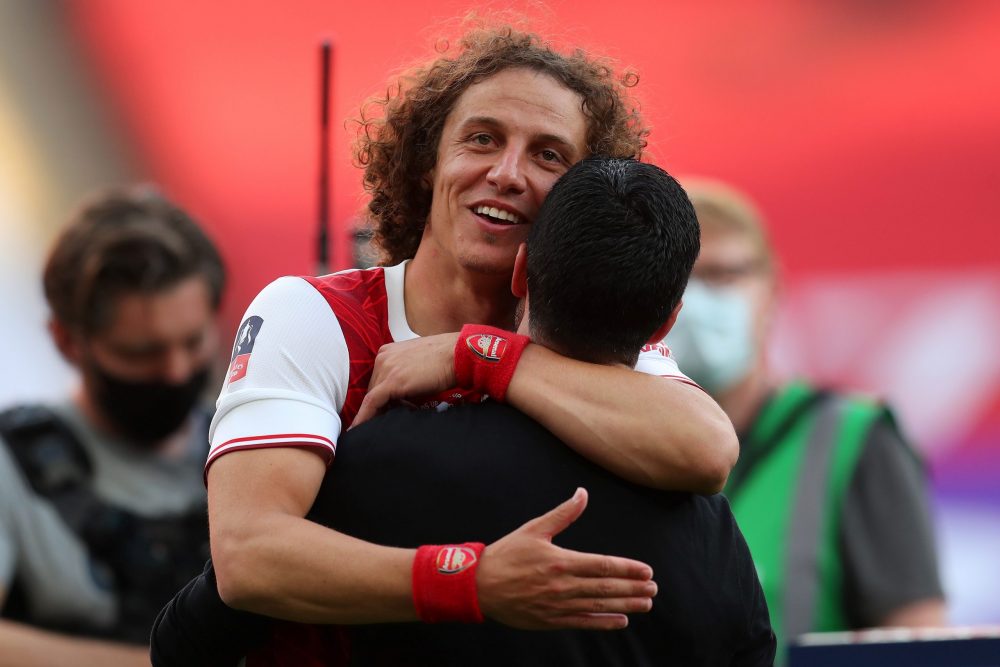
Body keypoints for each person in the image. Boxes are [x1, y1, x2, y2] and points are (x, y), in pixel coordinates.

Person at [155, 24, 739, 666]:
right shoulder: (316, 315)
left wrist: (477, 357)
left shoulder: (592, 338)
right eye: (482, 139)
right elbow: (248, 558)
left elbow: (707, 450)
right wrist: (471, 581)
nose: (507, 173)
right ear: (427, 159)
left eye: (549, 156)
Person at [300, 157, 776, 666]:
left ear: (521, 271)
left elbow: (234, 600)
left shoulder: (379, 457)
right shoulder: (710, 531)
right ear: (666, 325)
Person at [666, 178, 946, 660]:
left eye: (720, 276)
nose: (694, 303)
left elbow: (919, 645)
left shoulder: (854, 439)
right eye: (676, 280)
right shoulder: (613, 445)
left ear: (773, 287)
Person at [0, 187, 224, 665]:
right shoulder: (10, 462)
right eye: (141, 353)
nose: (176, 372)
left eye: (193, 341)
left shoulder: (253, 448)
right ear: (66, 341)